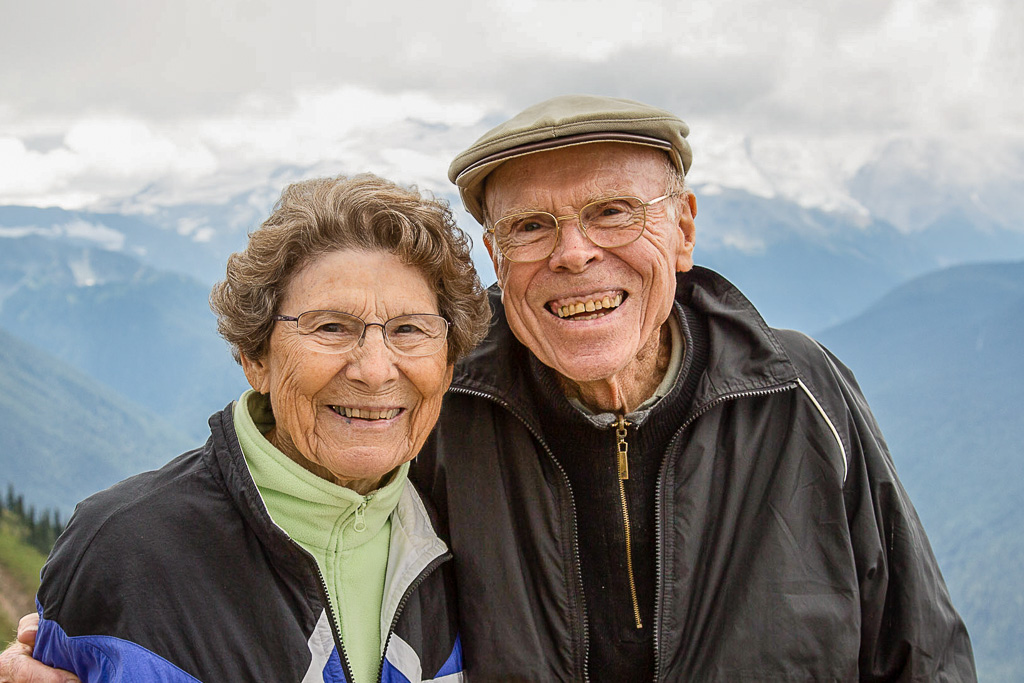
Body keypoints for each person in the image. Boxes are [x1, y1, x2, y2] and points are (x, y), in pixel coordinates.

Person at [3, 95, 977, 682]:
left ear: (681, 228)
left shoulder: (800, 394)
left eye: (611, 210)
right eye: (531, 227)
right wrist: (86, 637)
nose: (575, 252)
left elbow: (920, 655)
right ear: (495, 258)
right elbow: (274, 518)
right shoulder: (437, 409)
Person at [9, 174, 490, 682]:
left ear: (448, 362)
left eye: (409, 329)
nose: (374, 369)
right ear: (254, 357)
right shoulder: (125, 553)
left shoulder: (467, 539)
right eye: (330, 327)